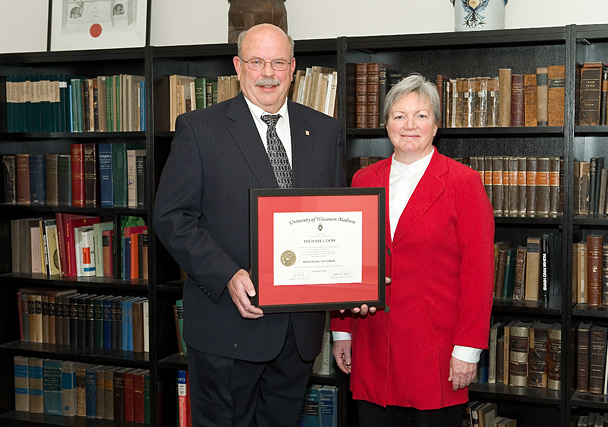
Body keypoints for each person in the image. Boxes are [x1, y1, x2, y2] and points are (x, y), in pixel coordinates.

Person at [154, 23, 345, 427]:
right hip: (229, 326)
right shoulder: (199, 129)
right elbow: (172, 217)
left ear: (293, 68)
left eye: (278, 62)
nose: (268, 73)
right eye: (257, 62)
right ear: (238, 67)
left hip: (298, 333)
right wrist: (225, 274)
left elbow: (334, 217)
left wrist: (351, 278)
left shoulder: (325, 132)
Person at [331, 73, 494, 427]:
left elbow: (479, 274)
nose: (409, 125)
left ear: (436, 125)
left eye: (421, 116)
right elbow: (347, 260)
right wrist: (341, 329)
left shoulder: (464, 183)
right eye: (399, 116)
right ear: (385, 123)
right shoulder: (362, 179)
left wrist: (467, 351)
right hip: (373, 344)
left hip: (435, 351)